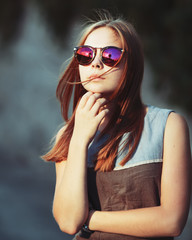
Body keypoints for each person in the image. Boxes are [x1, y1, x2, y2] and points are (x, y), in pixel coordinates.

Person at [42, 11, 191, 240]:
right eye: (86, 54)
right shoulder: (69, 135)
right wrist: (80, 138)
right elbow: (69, 222)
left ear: (131, 64)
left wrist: (89, 217)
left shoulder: (169, 126)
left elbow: (171, 222)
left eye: (110, 55)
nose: (97, 63)